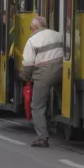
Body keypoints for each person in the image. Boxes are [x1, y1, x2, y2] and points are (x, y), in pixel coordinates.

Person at [21, 15, 63, 148]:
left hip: (43, 74)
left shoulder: (32, 41)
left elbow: (28, 64)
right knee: (64, 98)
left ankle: (42, 138)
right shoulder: (59, 35)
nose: (30, 30)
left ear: (35, 28)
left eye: (30, 28)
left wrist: (26, 77)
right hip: (62, 70)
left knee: (37, 106)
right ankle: (65, 121)